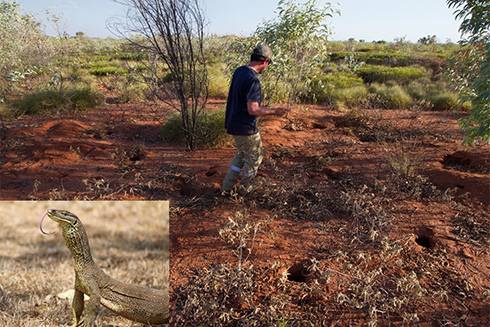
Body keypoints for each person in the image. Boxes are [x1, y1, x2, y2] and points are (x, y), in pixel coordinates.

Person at [222, 44, 286, 196]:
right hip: (246, 127)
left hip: (234, 123)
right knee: (254, 158)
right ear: (265, 61)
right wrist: (276, 111)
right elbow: (253, 109)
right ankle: (246, 192)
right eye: (268, 63)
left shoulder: (240, 71)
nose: (267, 67)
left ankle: (227, 189)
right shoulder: (253, 79)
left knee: (241, 155)